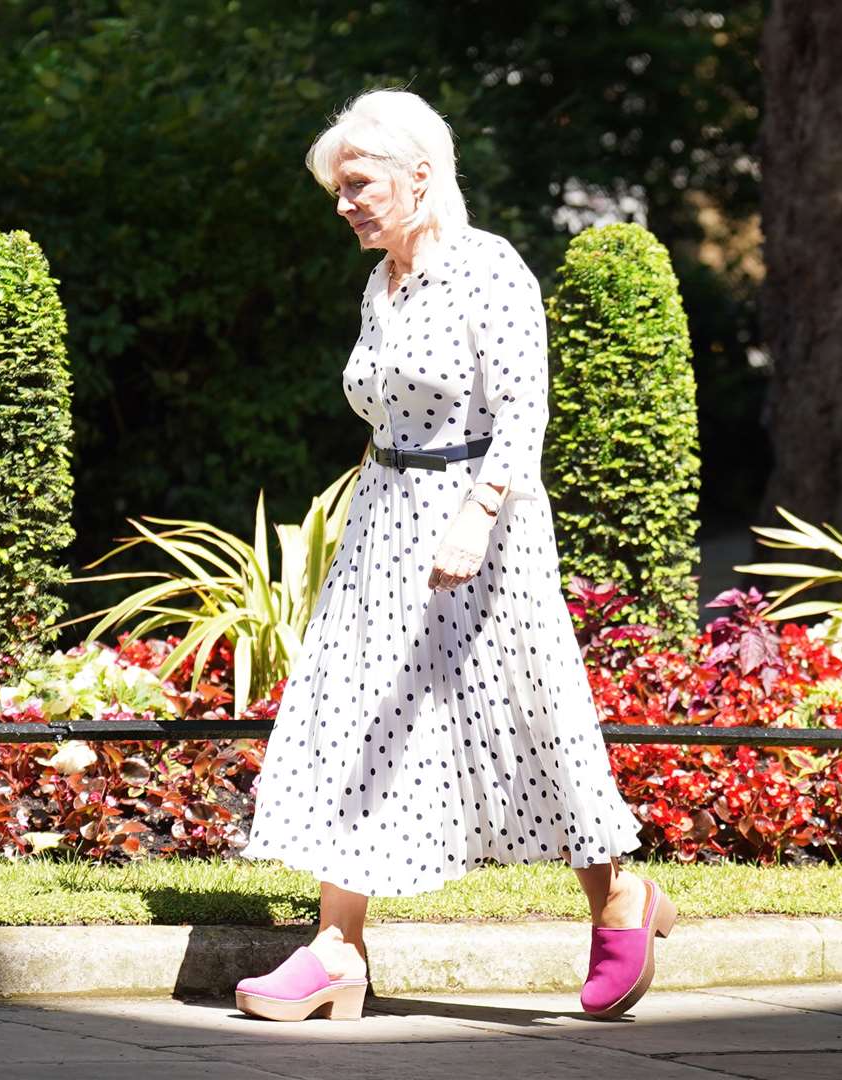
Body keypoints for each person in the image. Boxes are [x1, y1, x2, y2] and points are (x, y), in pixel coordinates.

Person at [232, 88, 677, 1023]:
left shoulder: (490, 269)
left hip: (483, 517)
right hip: (385, 515)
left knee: (525, 708)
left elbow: (525, 409)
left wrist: (476, 516)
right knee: (356, 710)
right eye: (338, 191)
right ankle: (336, 950)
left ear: (421, 177)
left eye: (359, 185)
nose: (344, 204)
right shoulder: (379, 283)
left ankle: (619, 899)